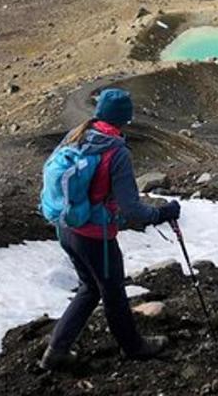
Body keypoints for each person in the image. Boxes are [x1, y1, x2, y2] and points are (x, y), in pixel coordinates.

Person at [39, 88, 181, 370]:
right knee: (113, 292)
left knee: (90, 288)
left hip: (67, 228)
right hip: (95, 236)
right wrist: (163, 212)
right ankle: (135, 347)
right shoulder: (116, 152)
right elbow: (132, 209)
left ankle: (57, 350)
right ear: (124, 118)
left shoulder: (77, 134)